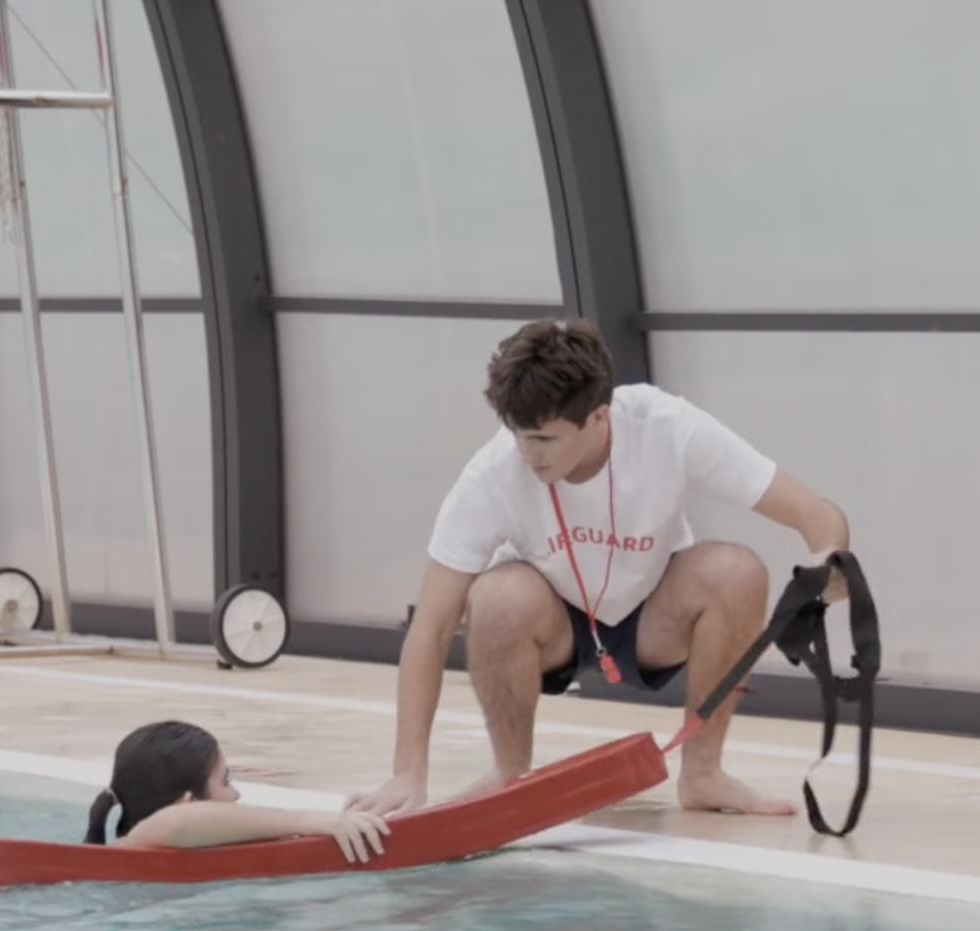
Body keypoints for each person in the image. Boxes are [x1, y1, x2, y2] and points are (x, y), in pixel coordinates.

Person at [350, 319, 850, 819]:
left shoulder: (667, 426)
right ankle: (511, 775)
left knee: (737, 571)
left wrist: (831, 565)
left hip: (652, 619)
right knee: (495, 597)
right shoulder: (493, 471)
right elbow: (432, 627)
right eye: (518, 434)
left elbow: (815, 514)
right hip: (553, 627)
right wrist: (407, 772)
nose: (528, 454)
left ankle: (703, 775)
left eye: (545, 438)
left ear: (598, 417)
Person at [89, 721, 391, 864]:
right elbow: (178, 822)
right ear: (188, 802)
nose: (235, 796)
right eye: (225, 782)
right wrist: (308, 821)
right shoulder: (135, 844)